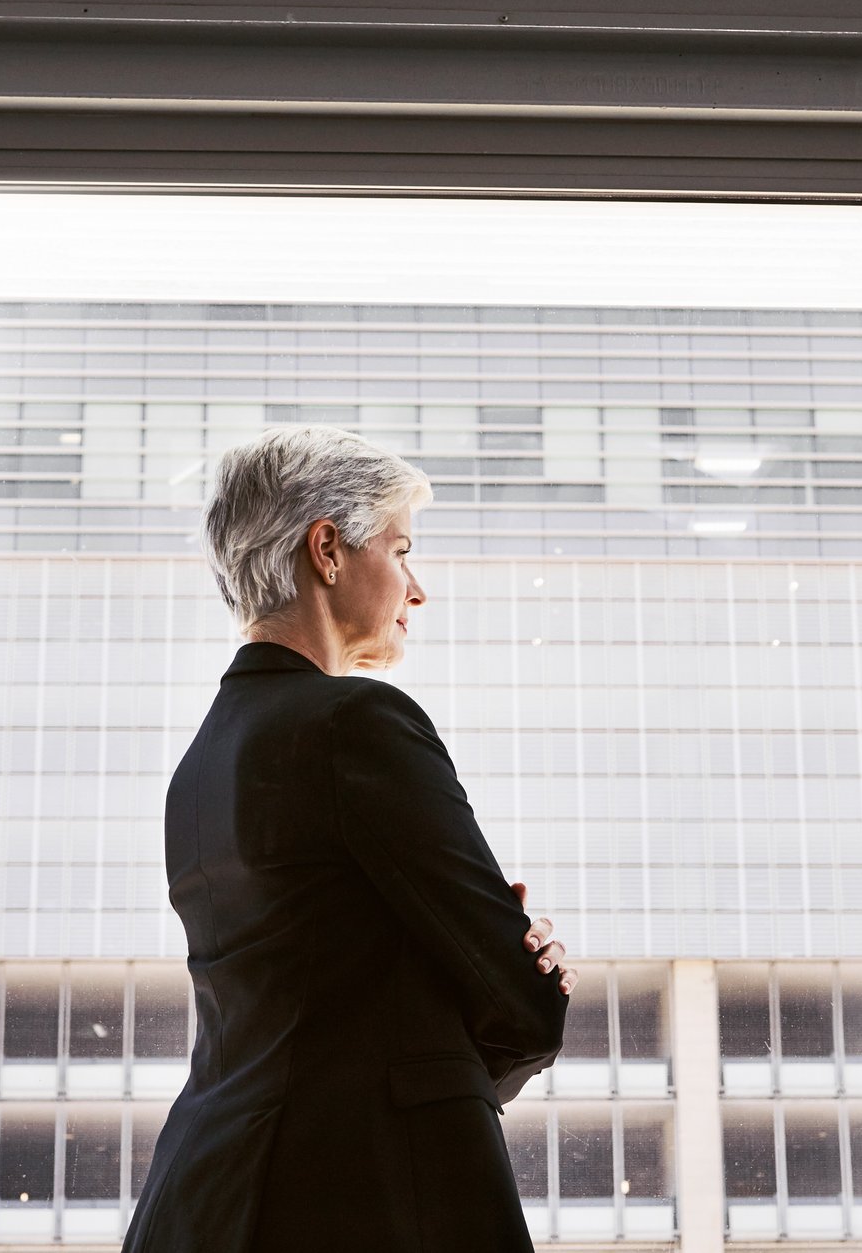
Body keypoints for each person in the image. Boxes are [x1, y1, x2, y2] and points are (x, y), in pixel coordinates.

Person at [122, 425, 573, 1253]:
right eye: (402, 549)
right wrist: (499, 963)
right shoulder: (358, 722)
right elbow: (526, 1007)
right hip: (363, 1201)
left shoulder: (198, 767)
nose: (417, 587)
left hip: (201, 1202)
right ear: (327, 549)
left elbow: (314, 995)